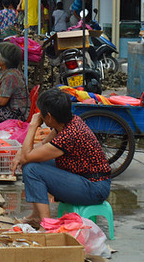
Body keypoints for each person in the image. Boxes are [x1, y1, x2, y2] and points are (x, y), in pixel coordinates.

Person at [10, 88, 111, 227]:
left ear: (49, 117)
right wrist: (21, 152)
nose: (39, 117)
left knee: (32, 169)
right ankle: (36, 216)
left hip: (94, 188)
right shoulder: (67, 123)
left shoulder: (69, 135)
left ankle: (46, 225)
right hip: (85, 178)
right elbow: (42, 145)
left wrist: (33, 126)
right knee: (31, 164)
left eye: (41, 114)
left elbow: (27, 157)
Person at [0, 42, 29, 125]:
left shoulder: (10, 76)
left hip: (17, 115)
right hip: (12, 110)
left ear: (4, 59)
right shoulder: (7, 72)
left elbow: (2, 101)